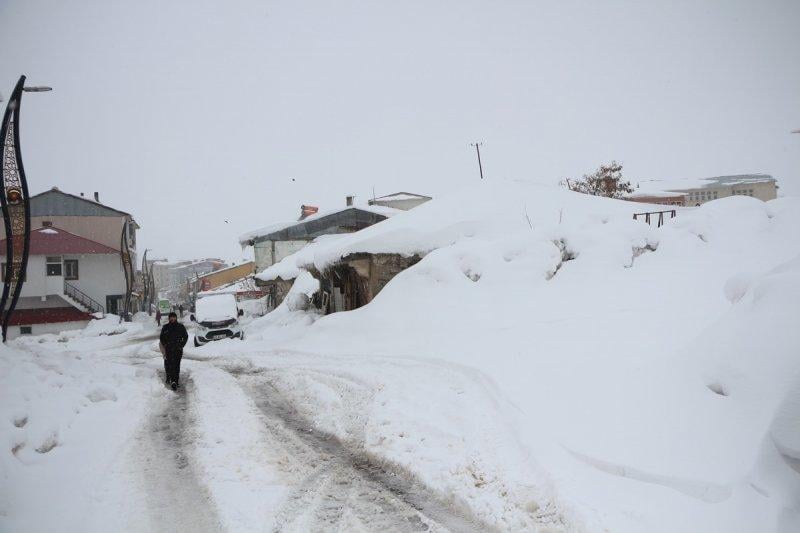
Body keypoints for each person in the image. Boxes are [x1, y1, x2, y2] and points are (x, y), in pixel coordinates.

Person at [159, 312, 188, 391]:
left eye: (174, 317)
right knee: (170, 364)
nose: (172, 319)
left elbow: (185, 336)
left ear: (176, 318)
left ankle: (176, 380)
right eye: (171, 317)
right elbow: (161, 337)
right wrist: (165, 344)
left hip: (178, 349)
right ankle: (173, 381)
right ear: (169, 318)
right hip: (168, 349)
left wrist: (181, 345)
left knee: (177, 365)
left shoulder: (180, 327)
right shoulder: (166, 327)